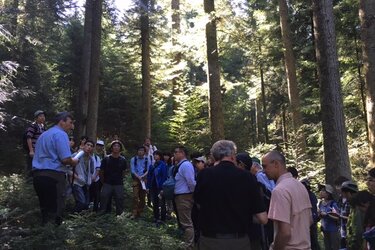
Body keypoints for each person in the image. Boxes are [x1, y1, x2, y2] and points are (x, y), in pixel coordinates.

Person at [194, 141, 268, 250]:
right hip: (239, 241)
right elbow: (263, 219)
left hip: (210, 241)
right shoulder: (248, 177)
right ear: (233, 155)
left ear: (214, 156)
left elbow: (198, 204)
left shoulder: (204, 175)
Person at [32, 111, 78, 225]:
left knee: (45, 210)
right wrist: (74, 161)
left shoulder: (44, 135)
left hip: (38, 176)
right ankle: (54, 238)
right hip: (53, 177)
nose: (72, 126)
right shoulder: (61, 134)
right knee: (55, 210)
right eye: (70, 122)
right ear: (62, 122)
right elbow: (65, 159)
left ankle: (44, 236)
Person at [262, 150, 312, 250]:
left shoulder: (279, 191)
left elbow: (284, 232)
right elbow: (309, 220)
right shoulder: (300, 186)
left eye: (265, 166)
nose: (263, 171)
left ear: (276, 164)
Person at [174, 145, 196, 249]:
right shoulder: (181, 165)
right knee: (185, 221)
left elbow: (191, 182)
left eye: (176, 152)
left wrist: (191, 194)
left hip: (184, 196)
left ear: (182, 153)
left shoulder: (186, 165)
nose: (174, 154)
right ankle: (188, 242)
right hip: (182, 196)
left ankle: (189, 245)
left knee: (186, 223)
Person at [99, 140, 127, 215]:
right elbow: (101, 171)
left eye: (118, 146)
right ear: (111, 148)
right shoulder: (106, 159)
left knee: (119, 199)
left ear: (120, 148)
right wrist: (103, 181)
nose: (116, 147)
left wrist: (120, 179)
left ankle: (120, 215)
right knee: (104, 198)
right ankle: (102, 214)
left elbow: (124, 172)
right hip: (107, 182)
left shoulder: (123, 160)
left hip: (118, 183)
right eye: (114, 146)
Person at [72, 139, 96, 213]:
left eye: (91, 146)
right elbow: (67, 168)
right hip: (77, 182)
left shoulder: (91, 159)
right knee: (81, 202)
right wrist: (76, 177)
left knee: (86, 204)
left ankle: (79, 219)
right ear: (84, 146)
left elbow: (91, 171)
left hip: (86, 183)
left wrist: (90, 180)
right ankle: (72, 216)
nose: (89, 147)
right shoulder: (76, 155)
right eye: (87, 145)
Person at [146, 150, 168, 225]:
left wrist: (162, 188)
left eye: (157, 155)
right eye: (154, 155)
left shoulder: (163, 165)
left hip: (160, 187)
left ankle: (162, 219)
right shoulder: (152, 165)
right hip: (153, 187)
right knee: (154, 202)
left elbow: (164, 176)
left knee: (161, 203)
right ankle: (156, 217)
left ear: (160, 156)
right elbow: (149, 176)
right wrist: (148, 187)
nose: (155, 156)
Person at [130, 146, 150, 219]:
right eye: (139, 150)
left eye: (142, 150)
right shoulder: (133, 159)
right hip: (136, 179)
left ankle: (139, 212)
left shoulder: (147, 159)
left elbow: (148, 169)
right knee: (135, 196)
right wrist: (138, 176)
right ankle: (134, 213)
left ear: (144, 152)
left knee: (142, 197)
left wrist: (143, 176)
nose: (140, 152)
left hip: (144, 180)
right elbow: (132, 170)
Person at [318, 184, 340, 250]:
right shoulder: (321, 203)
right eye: (321, 190)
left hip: (333, 230)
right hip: (324, 230)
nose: (321, 192)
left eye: (323, 190)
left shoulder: (333, 204)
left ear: (328, 193)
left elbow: (338, 217)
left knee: (334, 247)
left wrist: (327, 214)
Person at [25, 110, 46, 176]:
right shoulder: (33, 126)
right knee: (32, 168)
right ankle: (29, 183)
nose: (42, 117)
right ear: (36, 118)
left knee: (39, 169)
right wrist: (31, 150)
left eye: (43, 116)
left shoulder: (43, 127)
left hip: (40, 152)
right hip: (34, 151)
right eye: (40, 116)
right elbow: (29, 137)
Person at [301, 178, 320, 250]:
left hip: (311, 221)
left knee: (313, 241)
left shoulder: (310, 195)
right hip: (307, 221)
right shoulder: (306, 195)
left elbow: (312, 209)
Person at [339, 181, 358, 249]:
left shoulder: (357, 205)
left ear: (349, 193)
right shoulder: (345, 202)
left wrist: (339, 216)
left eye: (345, 193)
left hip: (355, 238)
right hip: (345, 234)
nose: (343, 195)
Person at [89, 139, 105, 212]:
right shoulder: (93, 155)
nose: (99, 147)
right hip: (90, 177)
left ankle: (96, 208)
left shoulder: (104, 155)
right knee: (90, 194)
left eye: (101, 146)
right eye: (98, 145)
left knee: (97, 193)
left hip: (99, 178)